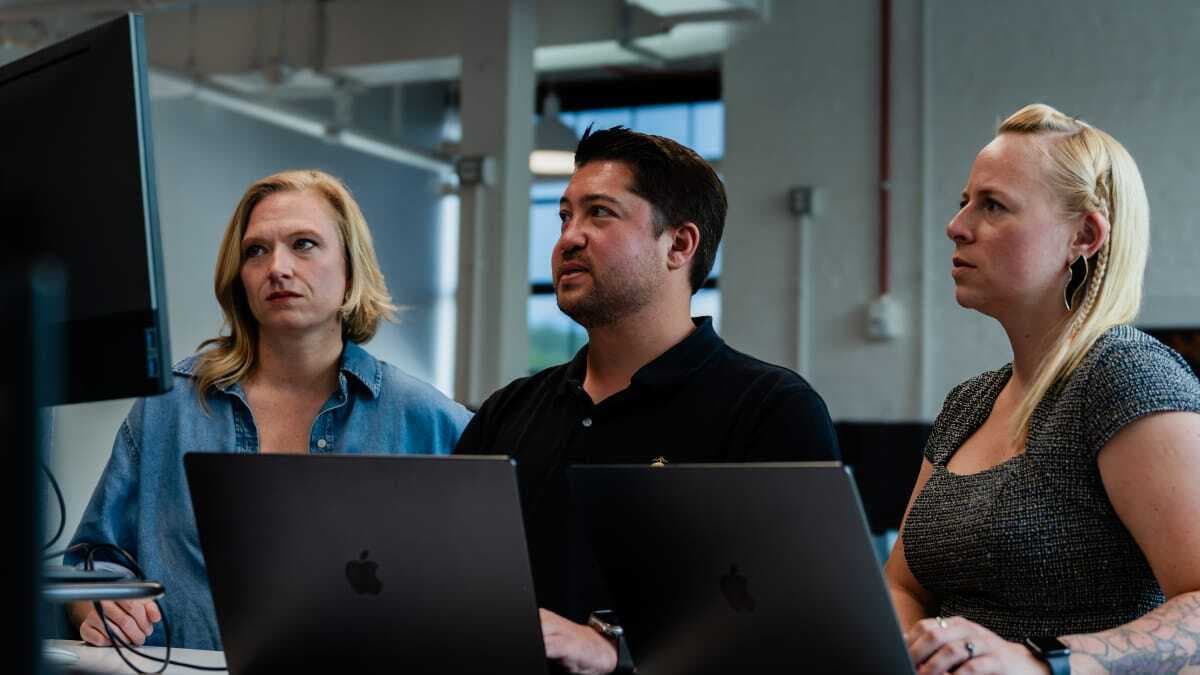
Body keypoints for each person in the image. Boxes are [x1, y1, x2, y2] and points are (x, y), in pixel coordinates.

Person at [454, 127, 840, 675]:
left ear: (679, 245)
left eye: (600, 213)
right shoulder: (509, 412)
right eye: (564, 216)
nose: (568, 238)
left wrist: (617, 651)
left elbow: (799, 625)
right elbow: (452, 582)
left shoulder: (770, 410)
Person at [64, 170, 471, 651]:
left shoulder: (426, 418)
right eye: (256, 250)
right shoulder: (168, 408)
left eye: (304, 244)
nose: (277, 267)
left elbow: (491, 583)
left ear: (350, 270)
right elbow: (93, 560)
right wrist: (96, 604)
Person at [885, 104, 1200, 674]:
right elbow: (902, 585)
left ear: (1084, 235)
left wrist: (1041, 662)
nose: (957, 226)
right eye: (964, 201)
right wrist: (919, 653)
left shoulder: (1128, 377)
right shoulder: (969, 403)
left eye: (993, 205)